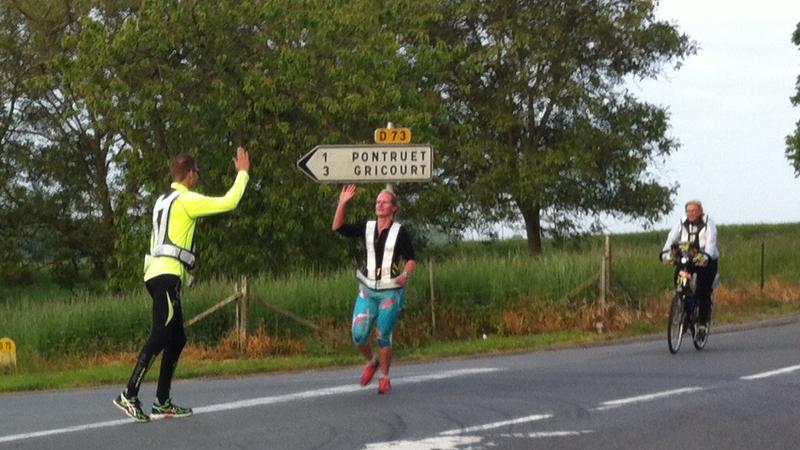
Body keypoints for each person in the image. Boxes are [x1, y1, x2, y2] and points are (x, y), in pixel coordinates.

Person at [113, 147, 250, 422]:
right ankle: (129, 393)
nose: (198, 177)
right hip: (166, 274)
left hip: (157, 273)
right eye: (197, 173)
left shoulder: (163, 200)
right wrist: (243, 174)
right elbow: (229, 201)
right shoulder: (186, 200)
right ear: (189, 174)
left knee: (177, 338)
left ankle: (162, 401)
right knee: (162, 334)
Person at [332, 184, 416, 395]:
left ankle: (385, 378)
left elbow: (411, 259)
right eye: (377, 202)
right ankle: (371, 361)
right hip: (368, 289)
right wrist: (342, 203)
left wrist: (405, 275)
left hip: (390, 291)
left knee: (383, 335)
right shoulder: (367, 227)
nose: (379, 204)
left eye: (384, 202)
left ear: (393, 208)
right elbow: (338, 227)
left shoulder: (399, 232)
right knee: (359, 335)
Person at [661, 199, 719, 340]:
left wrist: (706, 256)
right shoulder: (681, 223)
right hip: (687, 258)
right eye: (689, 211)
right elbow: (671, 238)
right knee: (680, 281)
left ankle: (702, 324)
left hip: (706, 259)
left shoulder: (708, 223)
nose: (691, 214)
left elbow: (711, 242)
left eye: (694, 211)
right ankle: (685, 304)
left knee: (703, 290)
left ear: (700, 211)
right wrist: (665, 253)